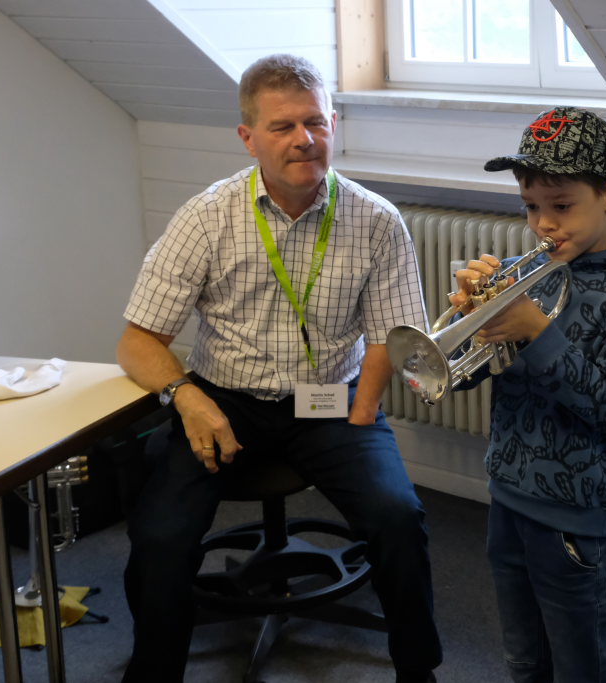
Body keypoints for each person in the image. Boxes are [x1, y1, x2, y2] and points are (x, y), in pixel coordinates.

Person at [116, 53, 441, 683]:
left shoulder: (376, 221)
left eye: (315, 122)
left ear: (333, 125)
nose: (303, 139)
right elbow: (138, 341)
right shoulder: (206, 218)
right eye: (283, 126)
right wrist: (187, 398)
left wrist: (363, 415)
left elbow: (390, 336)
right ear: (249, 137)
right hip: (222, 399)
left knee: (398, 518)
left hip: (331, 400)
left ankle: (417, 671)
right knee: (160, 537)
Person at [448, 107, 606, 683]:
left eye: (562, 205)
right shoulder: (528, 275)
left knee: (580, 665)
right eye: (531, 207)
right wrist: (470, 319)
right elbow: (458, 377)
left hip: (577, 517)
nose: (544, 224)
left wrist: (536, 331)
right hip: (509, 498)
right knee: (524, 658)